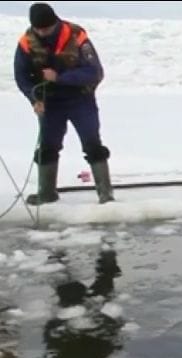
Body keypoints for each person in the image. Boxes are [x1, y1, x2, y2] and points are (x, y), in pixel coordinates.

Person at [14, 3, 114, 206]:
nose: (43, 33)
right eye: (38, 29)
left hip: (80, 99)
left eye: (47, 28)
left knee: (92, 143)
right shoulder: (26, 43)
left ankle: (106, 194)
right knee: (47, 146)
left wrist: (59, 78)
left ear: (55, 22)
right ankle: (47, 194)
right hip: (50, 103)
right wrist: (34, 99)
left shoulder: (77, 37)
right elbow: (21, 77)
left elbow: (94, 72)